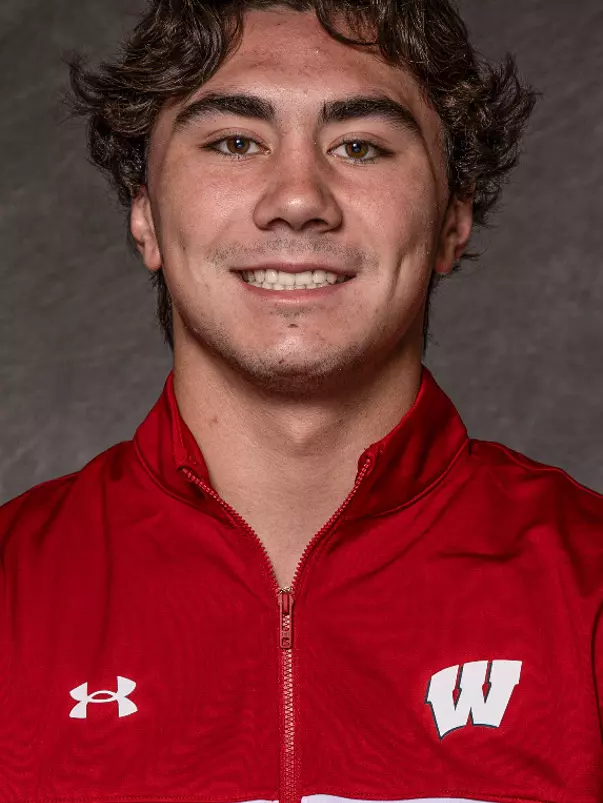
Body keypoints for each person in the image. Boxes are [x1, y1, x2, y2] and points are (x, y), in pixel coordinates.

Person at [1, 0, 601, 800]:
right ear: (144, 212)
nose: (296, 198)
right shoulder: (13, 593)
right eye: (235, 142)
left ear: (453, 216)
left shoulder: (588, 585)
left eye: (359, 145)